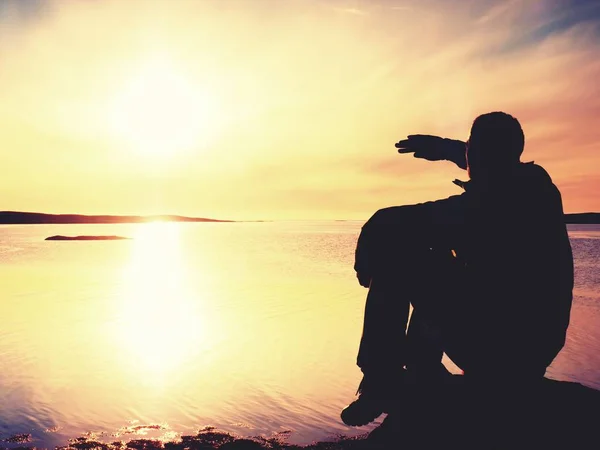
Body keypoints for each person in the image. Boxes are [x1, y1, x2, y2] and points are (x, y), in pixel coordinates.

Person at [341, 112, 574, 430]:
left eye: (471, 149)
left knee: (403, 256)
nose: (468, 156)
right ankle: (420, 376)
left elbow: (392, 223)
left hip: (504, 347)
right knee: (432, 259)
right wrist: (447, 148)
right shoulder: (534, 186)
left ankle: (383, 381)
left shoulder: (494, 200)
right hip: (530, 347)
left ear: (478, 153)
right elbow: (493, 159)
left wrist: (366, 260)